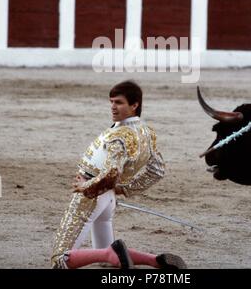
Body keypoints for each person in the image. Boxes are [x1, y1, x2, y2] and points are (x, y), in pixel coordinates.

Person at [51, 81, 177, 269]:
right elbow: (157, 170)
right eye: (111, 101)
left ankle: (111, 254)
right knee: (105, 259)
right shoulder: (147, 133)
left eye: (119, 102)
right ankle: (154, 261)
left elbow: (111, 172)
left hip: (92, 194)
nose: (113, 107)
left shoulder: (119, 136)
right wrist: (123, 188)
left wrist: (85, 187)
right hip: (108, 198)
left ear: (135, 105)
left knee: (59, 260)